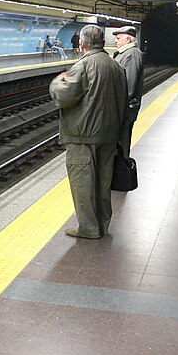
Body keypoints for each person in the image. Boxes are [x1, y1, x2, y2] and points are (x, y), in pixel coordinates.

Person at [49, 25, 127, 239]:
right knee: (103, 183)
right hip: (109, 135)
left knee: (83, 184)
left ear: (82, 44)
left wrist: (57, 83)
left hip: (82, 136)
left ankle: (88, 228)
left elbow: (64, 97)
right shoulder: (115, 66)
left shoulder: (83, 66)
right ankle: (102, 224)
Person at [112, 25, 144, 156]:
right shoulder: (125, 54)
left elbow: (128, 87)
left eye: (119, 38)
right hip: (122, 110)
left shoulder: (132, 54)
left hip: (125, 111)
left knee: (122, 147)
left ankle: (123, 174)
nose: (116, 41)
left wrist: (116, 107)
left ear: (128, 40)